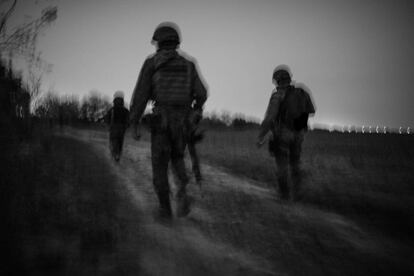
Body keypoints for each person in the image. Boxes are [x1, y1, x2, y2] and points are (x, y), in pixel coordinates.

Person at [130, 22, 208, 218]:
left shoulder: (152, 63)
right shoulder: (189, 64)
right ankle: (182, 193)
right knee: (178, 158)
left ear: (159, 42)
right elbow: (202, 93)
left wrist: (134, 122)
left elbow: (141, 95)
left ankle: (165, 209)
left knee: (160, 164)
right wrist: (195, 111)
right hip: (183, 123)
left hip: (162, 121)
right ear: (176, 42)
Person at [257, 65, 315, 200]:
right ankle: (298, 194)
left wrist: (261, 136)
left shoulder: (278, 95)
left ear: (277, 80)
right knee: (295, 163)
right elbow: (312, 110)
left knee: (282, 164)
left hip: (283, 133)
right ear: (289, 78)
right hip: (299, 134)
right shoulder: (302, 92)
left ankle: (284, 195)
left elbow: (270, 117)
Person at [103, 91, 130, 162]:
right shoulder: (125, 110)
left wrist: (108, 125)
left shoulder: (111, 109)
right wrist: (126, 126)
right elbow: (128, 120)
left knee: (114, 141)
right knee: (120, 142)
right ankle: (118, 155)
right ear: (122, 100)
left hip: (113, 128)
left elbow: (106, 119)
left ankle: (115, 154)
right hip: (122, 129)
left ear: (114, 99)